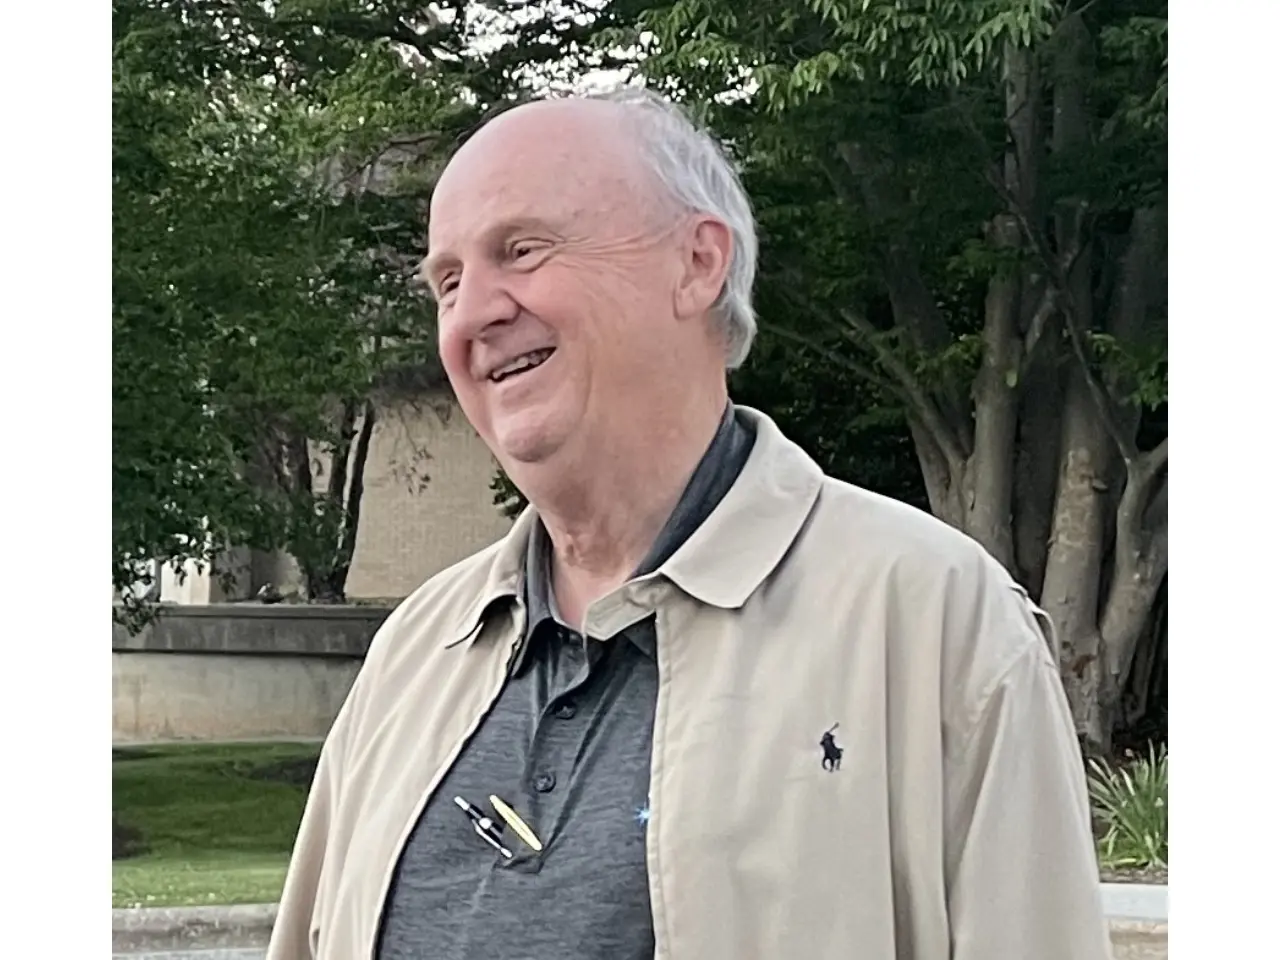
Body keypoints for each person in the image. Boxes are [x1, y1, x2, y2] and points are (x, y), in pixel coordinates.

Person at [266, 87, 1112, 960]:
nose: (474, 312)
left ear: (698, 262)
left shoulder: (934, 619)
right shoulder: (416, 651)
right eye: (447, 282)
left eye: (521, 250)